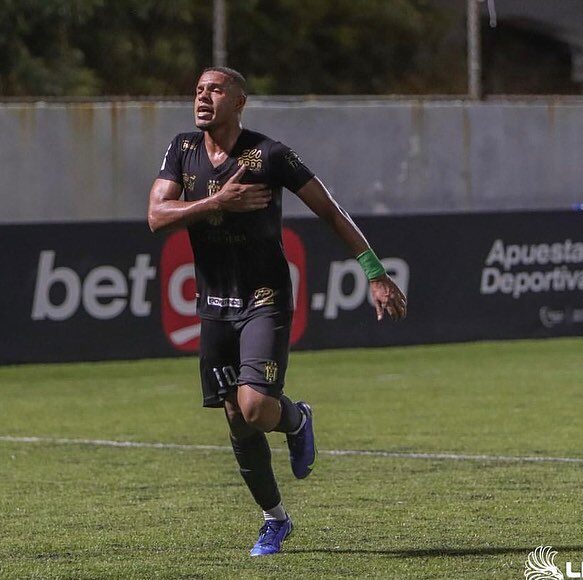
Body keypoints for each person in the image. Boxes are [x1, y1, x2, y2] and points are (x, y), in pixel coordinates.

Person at [147, 67, 407, 557]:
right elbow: (157, 216)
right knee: (236, 418)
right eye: (198, 90)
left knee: (254, 408)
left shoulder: (269, 155)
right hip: (213, 304)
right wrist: (218, 202)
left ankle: (295, 419)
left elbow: (330, 210)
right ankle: (275, 520)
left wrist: (374, 271)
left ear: (239, 101)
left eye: (215, 90)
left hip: (264, 296)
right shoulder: (182, 149)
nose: (202, 97)